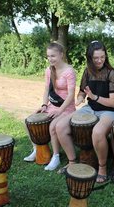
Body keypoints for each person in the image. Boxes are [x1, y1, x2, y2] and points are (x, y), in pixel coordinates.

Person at [57, 40, 114, 182]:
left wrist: (94, 97)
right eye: (96, 58)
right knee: (60, 126)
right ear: (90, 58)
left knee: (98, 132)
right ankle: (72, 162)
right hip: (90, 108)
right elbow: (82, 92)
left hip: (109, 111)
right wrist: (80, 98)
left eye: (102, 57)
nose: (100, 61)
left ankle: (102, 167)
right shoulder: (87, 72)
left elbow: (113, 102)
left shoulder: (111, 72)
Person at [24, 42, 76, 172]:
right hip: (52, 105)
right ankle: (37, 149)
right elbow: (47, 89)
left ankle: (56, 156)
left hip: (66, 108)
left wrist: (60, 110)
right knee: (28, 121)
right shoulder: (49, 70)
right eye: (48, 56)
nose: (50, 59)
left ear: (61, 55)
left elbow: (71, 95)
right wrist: (44, 105)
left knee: (53, 127)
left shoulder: (69, 71)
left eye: (53, 56)